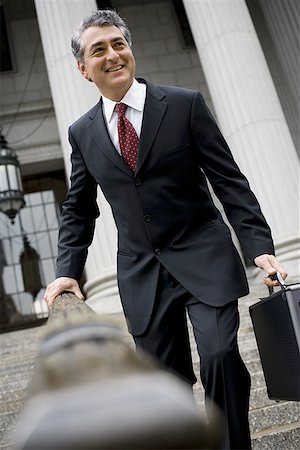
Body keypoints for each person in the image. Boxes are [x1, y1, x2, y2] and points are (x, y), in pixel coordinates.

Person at [44, 9, 287, 449]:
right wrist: (67, 270)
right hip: (143, 274)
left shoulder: (182, 104)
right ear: (83, 69)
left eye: (119, 44)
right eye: (99, 49)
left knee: (219, 356)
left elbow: (229, 182)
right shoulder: (82, 132)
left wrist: (259, 246)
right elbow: (79, 208)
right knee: (164, 383)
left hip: (204, 258)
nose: (113, 55)